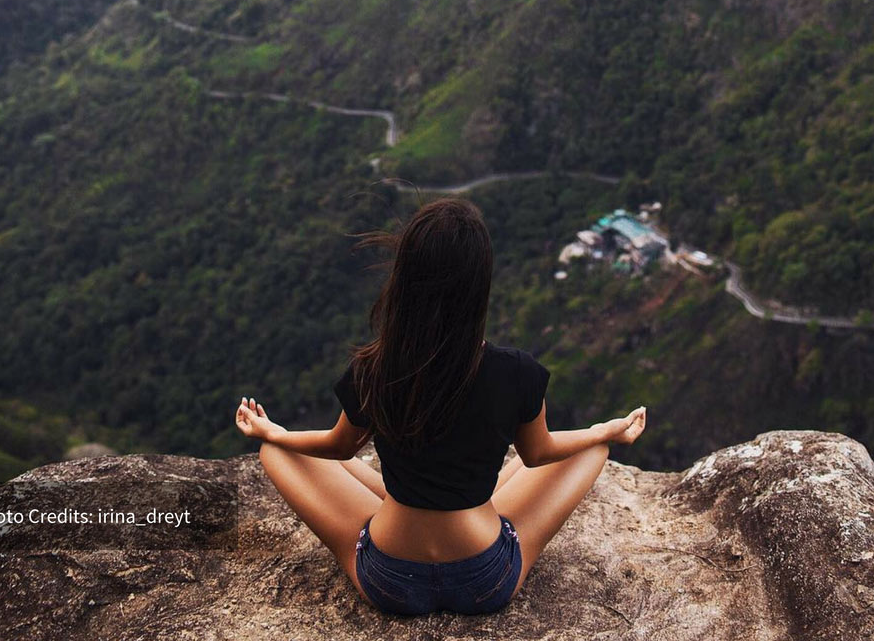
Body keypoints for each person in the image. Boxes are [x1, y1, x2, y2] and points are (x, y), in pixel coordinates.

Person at [235, 196, 646, 616]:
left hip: (389, 577)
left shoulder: (375, 368)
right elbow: (538, 454)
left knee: (281, 451)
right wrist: (604, 431)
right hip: (485, 577)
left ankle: (408, 508)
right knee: (589, 448)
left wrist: (274, 434)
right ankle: (468, 510)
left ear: (405, 280)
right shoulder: (516, 372)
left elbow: (338, 448)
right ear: (479, 286)